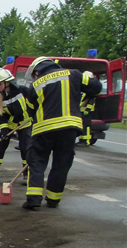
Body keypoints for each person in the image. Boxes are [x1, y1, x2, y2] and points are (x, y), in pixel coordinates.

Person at [22, 57, 102, 210]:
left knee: (36, 162)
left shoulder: (35, 85)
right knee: (61, 164)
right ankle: (53, 200)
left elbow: (31, 111)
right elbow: (96, 88)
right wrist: (90, 77)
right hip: (69, 129)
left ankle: (33, 200)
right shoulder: (75, 74)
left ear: (37, 71)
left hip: (43, 130)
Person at [0, 68, 32, 183]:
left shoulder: (22, 91)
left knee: (25, 149)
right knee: (0, 149)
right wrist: (4, 129)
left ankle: (27, 175)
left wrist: (34, 115)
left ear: (7, 82)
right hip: (9, 125)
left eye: (0, 84)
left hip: (24, 124)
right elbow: (1, 116)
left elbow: (34, 103)